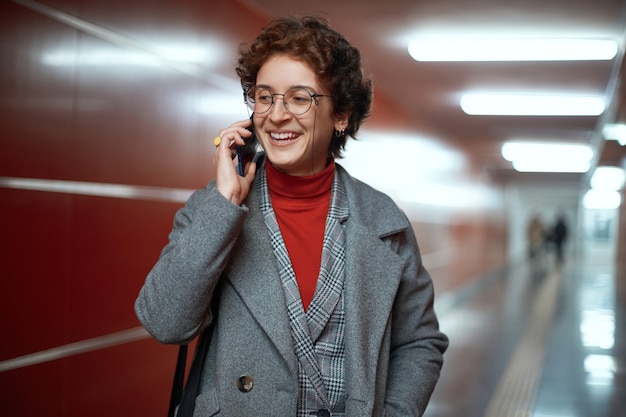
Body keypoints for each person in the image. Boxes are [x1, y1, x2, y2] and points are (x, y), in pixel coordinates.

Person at [135, 16, 448, 417]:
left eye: (299, 98)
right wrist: (224, 206)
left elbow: (420, 343)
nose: (277, 115)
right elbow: (165, 323)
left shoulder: (384, 222)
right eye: (265, 97)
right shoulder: (213, 208)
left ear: (342, 115)